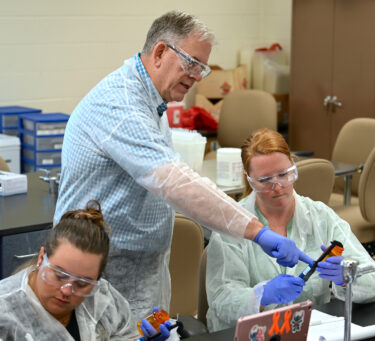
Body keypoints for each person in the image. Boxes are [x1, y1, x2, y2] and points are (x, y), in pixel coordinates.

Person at [53, 10, 313, 325]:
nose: (198, 76)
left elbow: (170, 189)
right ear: (161, 52)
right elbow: (176, 184)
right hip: (100, 277)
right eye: (192, 63)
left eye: (203, 68)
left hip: (138, 273)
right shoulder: (121, 104)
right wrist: (258, 232)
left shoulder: (154, 103)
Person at [205, 128, 375, 332]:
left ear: (293, 166)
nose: (278, 187)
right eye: (265, 180)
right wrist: (260, 297)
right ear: (249, 179)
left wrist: (347, 276)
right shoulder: (233, 224)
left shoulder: (320, 217)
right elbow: (221, 300)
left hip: (312, 332)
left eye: (284, 175)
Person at [0, 200, 172, 341]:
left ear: (97, 280)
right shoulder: (5, 313)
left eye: (82, 283)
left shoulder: (104, 300)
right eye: (59, 275)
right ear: (41, 257)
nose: (67, 290)